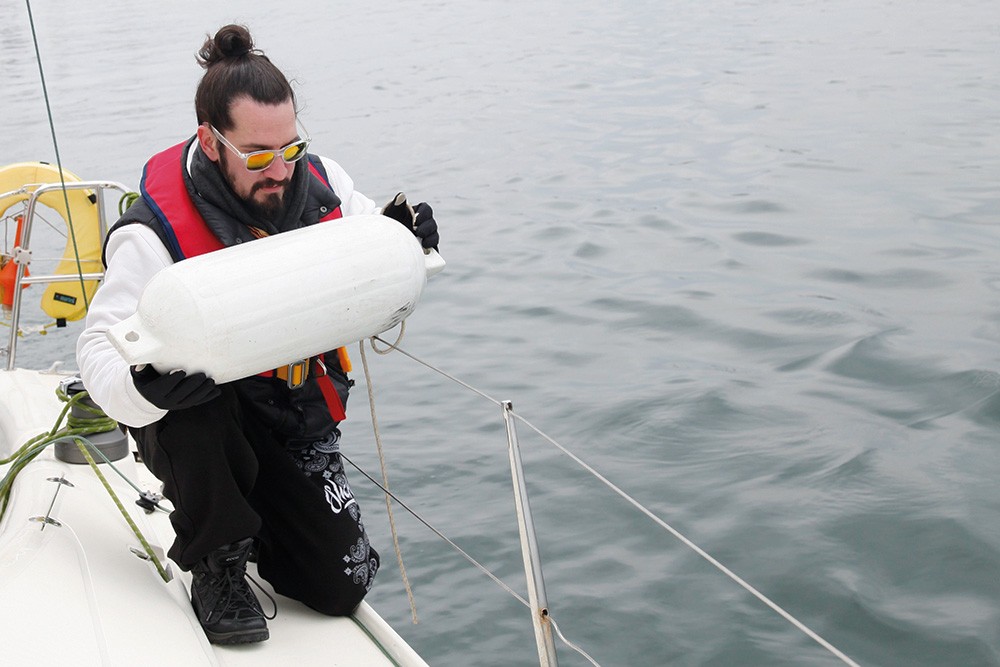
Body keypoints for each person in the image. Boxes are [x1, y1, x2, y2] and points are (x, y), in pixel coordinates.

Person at [76, 24, 440, 645]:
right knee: (193, 411)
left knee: (339, 586)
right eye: (258, 156)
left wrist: (408, 236)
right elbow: (96, 349)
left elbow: (376, 250)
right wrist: (145, 391)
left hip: (290, 410)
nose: (279, 171)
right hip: (204, 419)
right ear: (210, 142)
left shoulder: (324, 185)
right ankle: (215, 559)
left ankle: (271, 516)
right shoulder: (152, 236)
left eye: (290, 150)